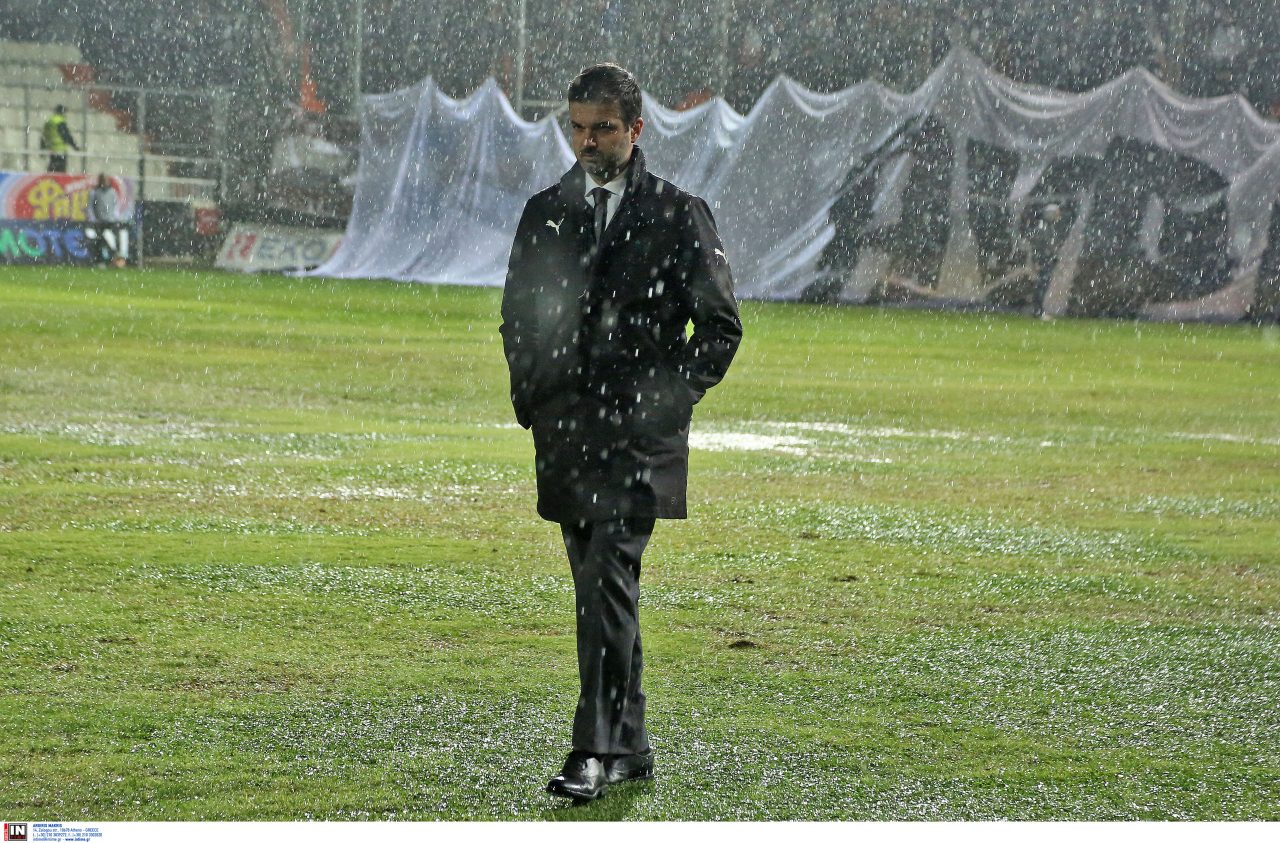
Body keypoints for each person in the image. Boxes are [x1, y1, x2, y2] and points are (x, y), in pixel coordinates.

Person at [500, 63, 742, 802]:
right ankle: (630, 745)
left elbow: (720, 327)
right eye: (577, 127)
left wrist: (663, 404)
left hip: (637, 442)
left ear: (636, 128)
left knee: (604, 577)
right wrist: (534, 399)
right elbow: (517, 313)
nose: (587, 141)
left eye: (602, 128)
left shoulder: (677, 213)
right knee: (601, 586)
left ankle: (592, 749)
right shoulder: (546, 211)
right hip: (566, 435)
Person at [87, 173, 126, 267]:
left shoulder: (112, 192)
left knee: (112, 241)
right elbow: (90, 207)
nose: (105, 182)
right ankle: (100, 261)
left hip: (110, 221)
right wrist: (93, 219)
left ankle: (115, 260)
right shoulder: (95, 192)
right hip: (99, 222)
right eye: (103, 180)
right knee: (100, 242)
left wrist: (115, 217)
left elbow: (115, 205)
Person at [41, 105, 80, 173]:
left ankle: (50, 178)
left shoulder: (49, 121)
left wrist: (42, 148)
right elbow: (66, 135)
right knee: (60, 171)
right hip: (60, 150)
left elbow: (44, 136)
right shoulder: (59, 121)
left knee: (52, 169)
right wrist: (75, 146)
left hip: (51, 150)